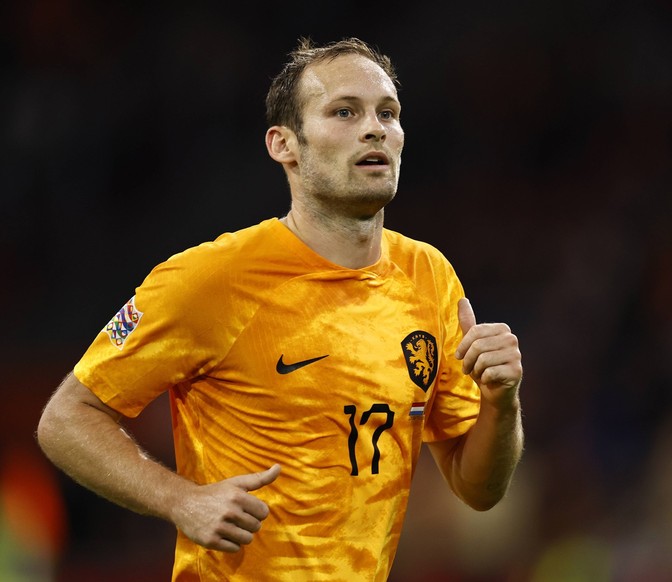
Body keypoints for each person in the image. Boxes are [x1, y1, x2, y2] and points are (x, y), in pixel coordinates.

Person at [36, 37, 524, 581]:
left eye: (388, 113)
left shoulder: (429, 277)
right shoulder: (212, 278)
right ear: (284, 145)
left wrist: (501, 404)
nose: (375, 128)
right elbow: (65, 419)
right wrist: (180, 500)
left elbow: (478, 488)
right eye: (345, 111)